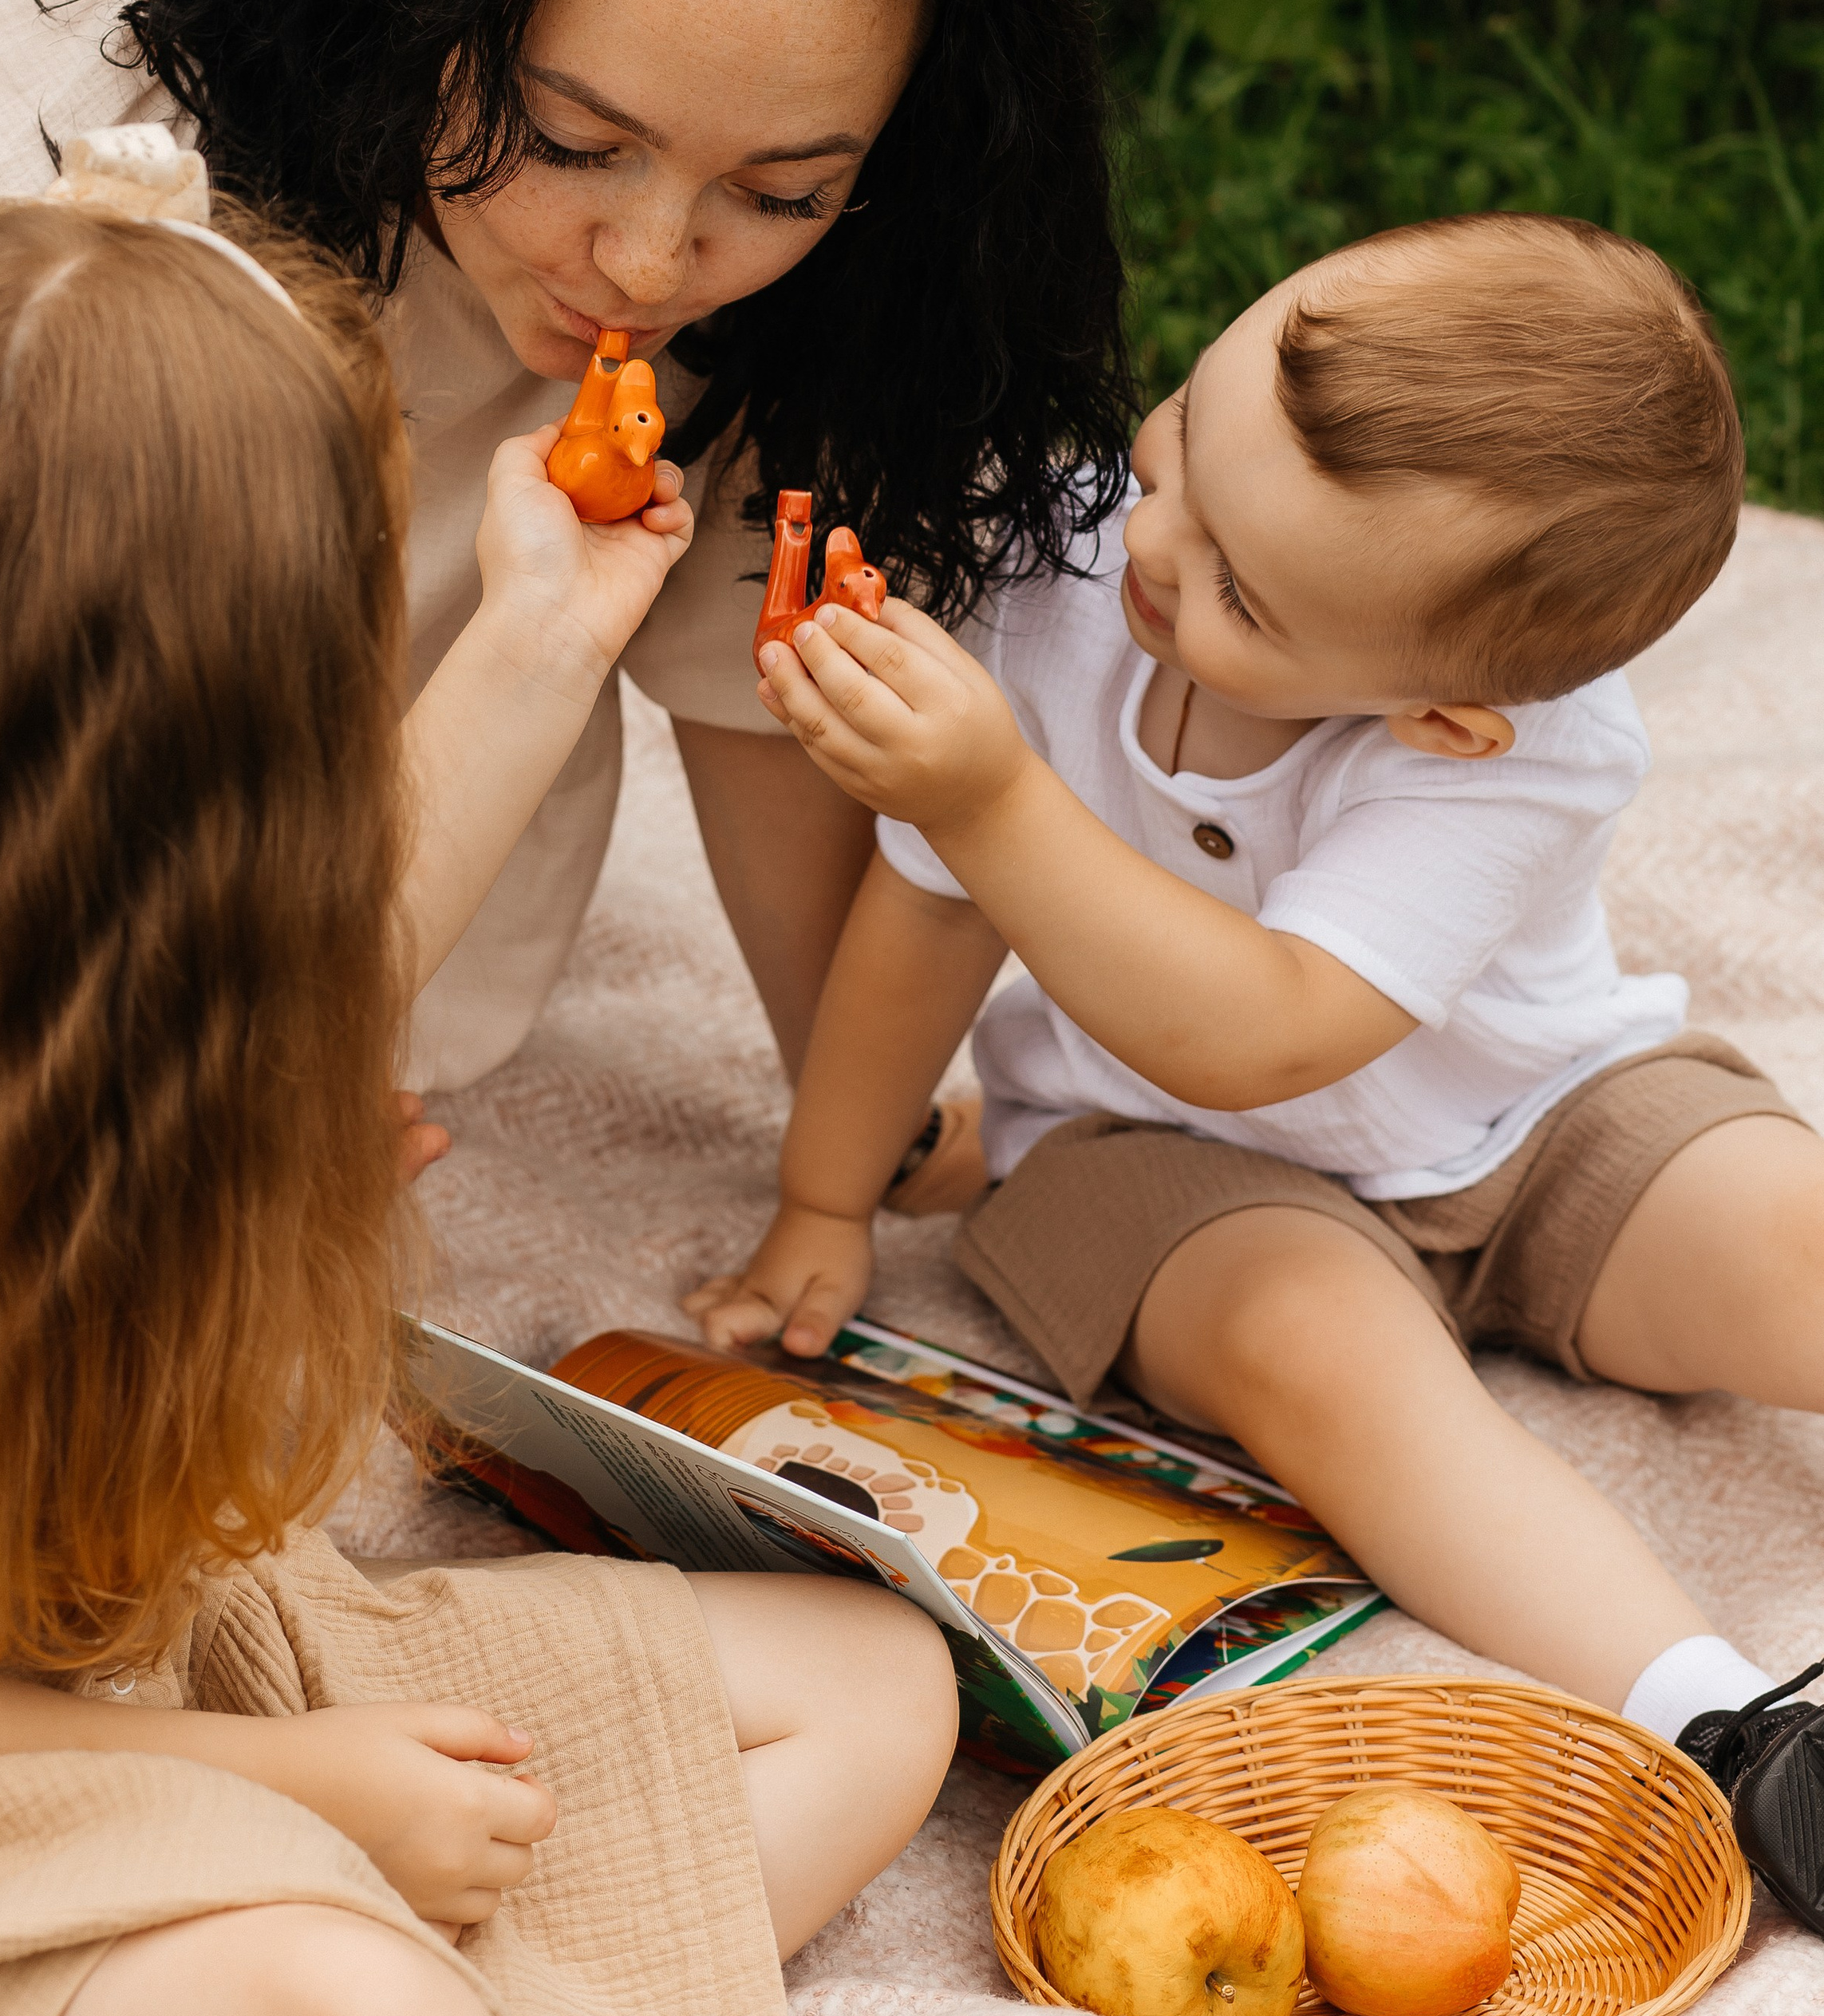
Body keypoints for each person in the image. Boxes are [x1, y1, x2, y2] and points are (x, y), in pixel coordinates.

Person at [0, 158, 958, 2016]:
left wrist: (548, 625)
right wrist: (317, 1793)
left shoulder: (91, 947)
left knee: (880, 1681)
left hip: (141, 1655)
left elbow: (339, 962)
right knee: (331, 1992)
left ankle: (463, 1984)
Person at [0, 0, 1131, 1150]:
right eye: (571, 140)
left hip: (308, 1009)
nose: (644, 266)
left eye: (781, 191)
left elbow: (759, 685)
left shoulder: (796, 298)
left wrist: (867, 1135)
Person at [687, 211, 1824, 1762]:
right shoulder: (1054, 570)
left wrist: (992, 797)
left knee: (1782, 1232)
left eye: (1238, 592)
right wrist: (828, 1195)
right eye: (1177, 449)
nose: (1143, 551)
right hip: (1155, 1162)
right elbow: (928, 912)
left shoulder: (1526, 756)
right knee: (1325, 1366)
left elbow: (1264, 1026)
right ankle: (1718, 1724)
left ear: (1444, 719)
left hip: (1530, 1117)